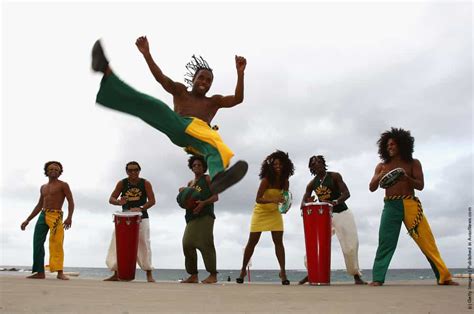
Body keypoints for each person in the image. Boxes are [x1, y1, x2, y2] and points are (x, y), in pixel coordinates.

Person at [91, 37, 248, 195]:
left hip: (197, 138)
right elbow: (161, 78)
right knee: (154, 106)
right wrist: (147, 54)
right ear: (193, 79)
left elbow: (237, 99)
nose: (204, 82)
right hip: (178, 125)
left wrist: (240, 73)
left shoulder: (213, 101)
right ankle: (106, 71)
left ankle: (217, 178)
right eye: (201, 77)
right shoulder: (181, 92)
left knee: (214, 145)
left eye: (208, 81)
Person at [369, 128, 458, 286]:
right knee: (386, 241)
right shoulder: (381, 166)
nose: (390, 147)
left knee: (426, 240)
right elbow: (372, 187)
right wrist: (379, 176)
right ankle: (377, 278)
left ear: (402, 145)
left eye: (393, 144)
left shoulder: (413, 163)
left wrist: (407, 178)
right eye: (388, 145)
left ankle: (444, 277)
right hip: (390, 206)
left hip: (410, 204)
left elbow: (421, 185)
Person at [298, 155, 366, 285]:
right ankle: (312, 272)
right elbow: (303, 201)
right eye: (313, 163)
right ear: (311, 168)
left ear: (323, 163)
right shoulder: (312, 183)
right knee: (315, 245)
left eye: (318, 162)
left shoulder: (334, 176)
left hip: (341, 212)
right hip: (324, 216)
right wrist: (307, 202)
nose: (316, 164)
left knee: (350, 246)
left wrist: (335, 202)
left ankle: (356, 275)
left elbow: (347, 193)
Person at [236, 150, 295, 285]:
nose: (277, 166)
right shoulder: (266, 180)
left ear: (285, 165)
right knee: (252, 242)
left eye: (280, 164)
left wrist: (285, 206)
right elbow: (258, 199)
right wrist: (274, 200)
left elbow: (285, 199)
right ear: (270, 166)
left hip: (275, 213)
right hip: (261, 212)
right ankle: (243, 270)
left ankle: (283, 272)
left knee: (278, 242)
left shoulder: (285, 181)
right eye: (275, 164)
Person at [20, 161, 75, 280]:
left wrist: (69, 217)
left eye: (56, 169)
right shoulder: (43, 187)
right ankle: (40, 272)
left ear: (60, 172)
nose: (53, 171)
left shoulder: (63, 185)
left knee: (57, 243)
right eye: (51, 169)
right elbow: (39, 205)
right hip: (43, 214)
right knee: (37, 243)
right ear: (46, 171)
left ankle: (60, 272)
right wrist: (27, 220)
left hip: (56, 216)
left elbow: (71, 201)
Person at [104, 161, 156, 282]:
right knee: (117, 244)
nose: (133, 172)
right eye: (130, 170)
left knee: (144, 244)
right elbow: (111, 199)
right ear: (126, 171)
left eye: (136, 170)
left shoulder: (145, 183)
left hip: (141, 217)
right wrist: (118, 202)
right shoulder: (122, 183)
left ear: (139, 171)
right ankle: (116, 273)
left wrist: (141, 208)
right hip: (124, 218)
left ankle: (149, 273)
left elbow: (152, 200)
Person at [179, 156, 219, 284]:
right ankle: (193, 275)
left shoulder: (207, 179)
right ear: (191, 167)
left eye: (199, 165)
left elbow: (216, 197)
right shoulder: (190, 184)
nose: (197, 167)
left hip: (206, 215)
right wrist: (182, 195)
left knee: (206, 243)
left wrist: (203, 203)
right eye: (194, 165)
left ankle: (213, 274)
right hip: (192, 217)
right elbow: (186, 202)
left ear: (204, 167)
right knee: (187, 243)